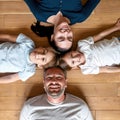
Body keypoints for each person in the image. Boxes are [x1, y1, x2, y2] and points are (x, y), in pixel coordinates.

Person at [24, 0, 100, 54]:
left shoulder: (40, 15)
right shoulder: (80, 16)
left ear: (52, 37)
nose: (66, 33)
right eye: (70, 38)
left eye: (61, 38)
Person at [20, 66, 93, 120]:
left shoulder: (80, 106)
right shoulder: (29, 106)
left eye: (59, 78)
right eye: (49, 78)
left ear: (65, 82)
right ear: (44, 83)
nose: (54, 81)